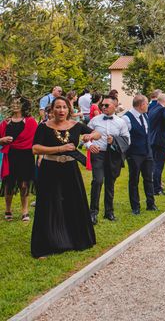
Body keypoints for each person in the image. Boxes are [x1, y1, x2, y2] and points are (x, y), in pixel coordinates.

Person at [31, 96, 101, 258]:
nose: (61, 110)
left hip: (70, 169)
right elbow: (35, 149)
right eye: (58, 107)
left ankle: (76, 240)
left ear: (69, 109)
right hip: (50, 169)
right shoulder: (43, 127)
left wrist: (90, 137)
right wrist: (60, 148)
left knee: (73, 202)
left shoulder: (76, 125)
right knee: (48, 205)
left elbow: (97, 133)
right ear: (52, 110)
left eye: (64, 107)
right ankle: (46, 244)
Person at [87, 96, 130, 224]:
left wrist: (114, 141)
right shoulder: (94, 121)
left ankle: (109, 212)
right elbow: (86, 137)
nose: (104, 107)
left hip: (113, 155)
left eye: (107, 105)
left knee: (110, 183)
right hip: (98, 154)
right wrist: (90, 145)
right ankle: (93, 213)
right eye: (102, 105)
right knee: (98, 181)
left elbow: (127, 140)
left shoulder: (121, 122)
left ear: (115, 107)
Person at [0, 98, 38, 222]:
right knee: (9, 184)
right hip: (10, 156)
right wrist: (2, 140)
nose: (15, 105)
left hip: (26, 156)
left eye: (18, 103)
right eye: (13, 102)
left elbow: (37, 140)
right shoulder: (5, 122)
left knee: (24, 184)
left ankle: (25, 210)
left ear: (24, 106)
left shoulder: (31, 122)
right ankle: (8, 209)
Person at [122, 94, 157, 214]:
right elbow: (123, 137)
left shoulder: (145, 116)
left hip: (147, 152)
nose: (148, 105)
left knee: (148, 178)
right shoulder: (126, 118)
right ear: (141, 105)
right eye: (147, 103)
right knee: (134, 180)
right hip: (134, 153)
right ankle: (135, 207)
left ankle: (151, 203)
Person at [149, 93, 165, 196]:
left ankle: (154, 185)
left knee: (154, 163)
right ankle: (157, 188)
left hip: (152, 138)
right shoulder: (163, 110)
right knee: (159, 164)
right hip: (160, 139)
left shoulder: (152, 109)